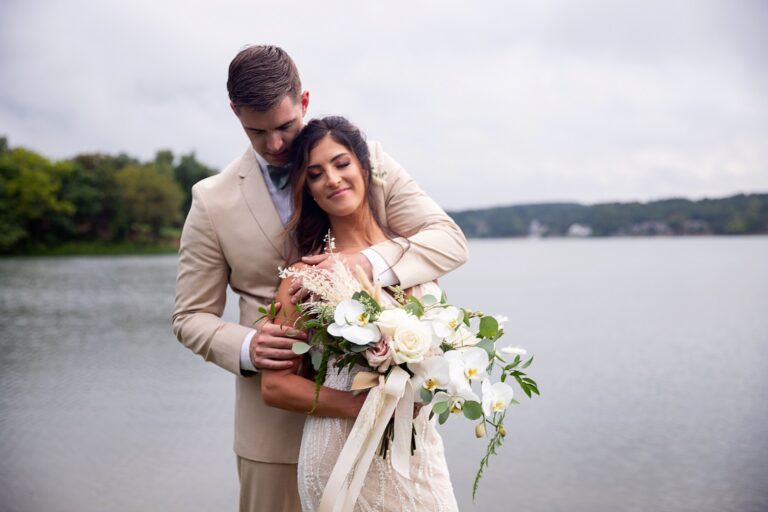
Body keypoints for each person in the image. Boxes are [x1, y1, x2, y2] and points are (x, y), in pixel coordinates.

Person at [171, 45, 468, 511]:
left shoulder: (364, 164)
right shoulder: (212, 200)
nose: (275, 145)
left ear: (303, 102)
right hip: (273, 438)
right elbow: (190, 317)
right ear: (235, 113)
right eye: (257, 130)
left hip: (393, 435)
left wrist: (364, 264)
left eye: (285, 126)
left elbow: (447, 240)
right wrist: (249, 347)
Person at [263, 116, 460, 511]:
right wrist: (366, 406)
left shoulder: (417, 255)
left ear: (365, 168)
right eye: (315, 175)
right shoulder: (307, 276)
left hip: (419, 451)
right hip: (342, 450)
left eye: (341, 164)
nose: (332, 180)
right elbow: (276, 386)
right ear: (310, 192)